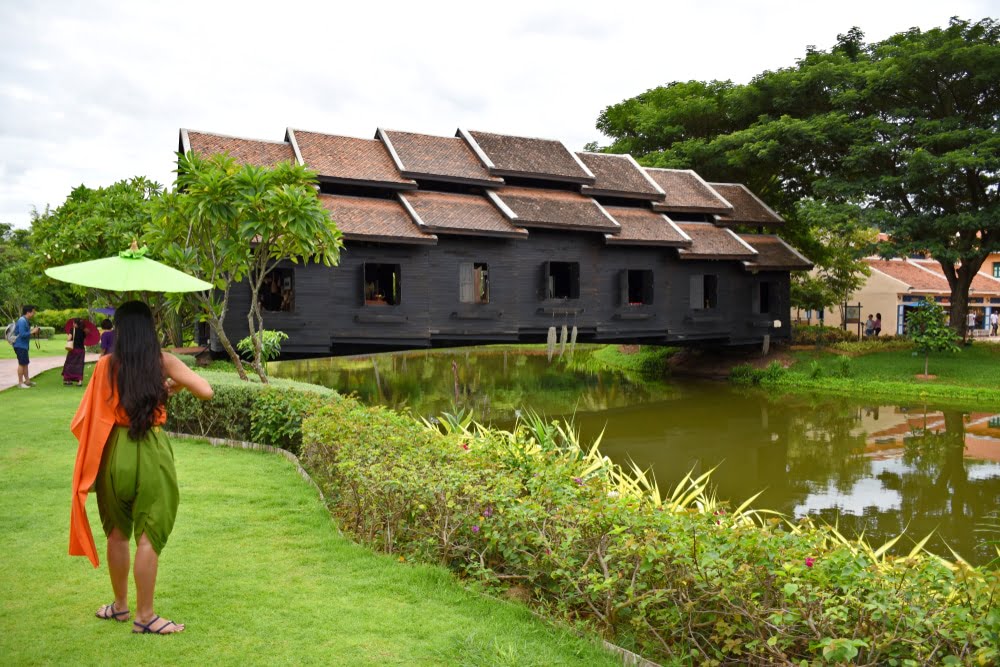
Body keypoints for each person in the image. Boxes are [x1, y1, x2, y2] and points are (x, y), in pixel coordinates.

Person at [69, 301, 213, 635]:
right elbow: (206, 390)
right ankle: (145, 617)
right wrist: (174, 386)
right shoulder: (162, 361)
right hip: (150, 450)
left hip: (114, 451)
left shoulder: (106, 365)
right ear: (149, 328)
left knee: (117, 533)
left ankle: (120, 607)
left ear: (118, 330)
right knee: (148, 536)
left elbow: (89, 414)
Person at [13, 304, 39, 389]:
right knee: (21, 363)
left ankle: (27, 381)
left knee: (25, 363)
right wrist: (32, 331)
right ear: (28, 312)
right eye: (33, 312)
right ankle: (20, 383)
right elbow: (22, 334)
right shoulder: (22, 321)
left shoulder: (25, 320)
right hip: (20, 345)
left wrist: (33, 331)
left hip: (23, 345)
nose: (34, 314)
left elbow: (25, 333)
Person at [62, 318, 87, 386]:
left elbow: (69, 339)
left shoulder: (72, 329)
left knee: (69, 364)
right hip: (81, 350)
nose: (72, 324)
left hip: (73, 350)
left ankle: (68, 380)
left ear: (76, 324)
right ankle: (79, 382)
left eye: (73, 323)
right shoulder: (83, 331)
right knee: (79, 365)